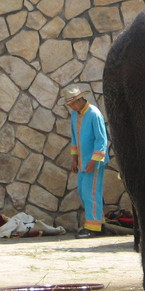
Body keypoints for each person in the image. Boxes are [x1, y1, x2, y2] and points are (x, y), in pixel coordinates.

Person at [62, 85, 109, 238]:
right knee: (83, 191)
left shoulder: (94, 114)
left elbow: (101, 139)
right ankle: (97, 223)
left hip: (94, 162)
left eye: (72, 103)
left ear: (79, 100)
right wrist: (74, 159)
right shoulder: (75, 115)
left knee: (91, 192)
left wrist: (93, 161)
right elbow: (75, 138)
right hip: (82, 161)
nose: (71, 107)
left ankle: (93, 227)